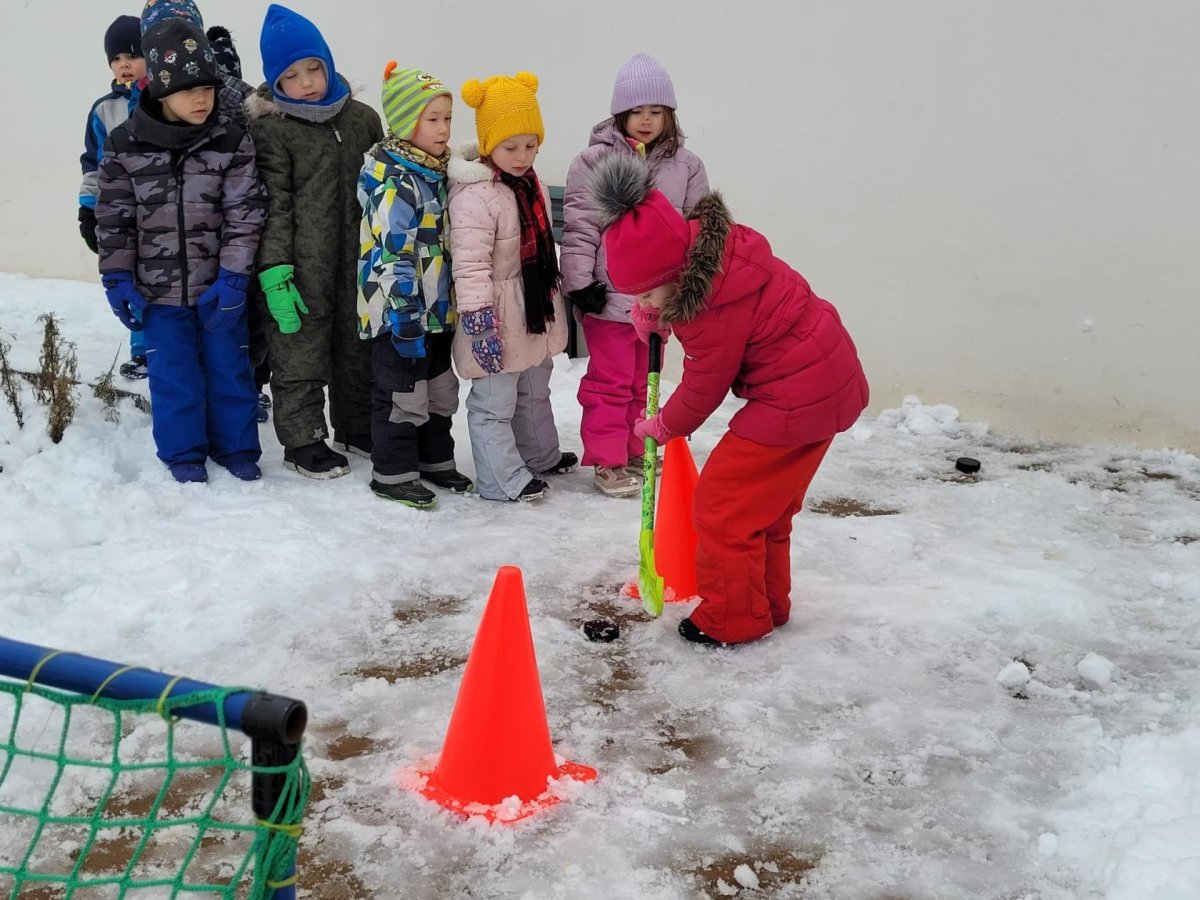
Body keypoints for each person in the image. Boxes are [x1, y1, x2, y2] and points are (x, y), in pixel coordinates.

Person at [591, 154, 869, 645]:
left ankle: (733, 619)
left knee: (722, 508)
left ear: (675, 273)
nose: (643, 304)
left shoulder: (708, 308)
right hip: (826, 384)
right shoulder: (720, 261)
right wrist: (660, 314)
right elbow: (712, 329)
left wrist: (665, 425)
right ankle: (766, 604)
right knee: (764, 510)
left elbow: (705, 385)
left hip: (797, 395)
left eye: (647, 294)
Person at [97, 19, 266, 484]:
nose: (202, 99)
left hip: (219, 287)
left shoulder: (230, 141)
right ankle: (184, 451)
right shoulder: (124, 145)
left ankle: (237, 446)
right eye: (189, 90)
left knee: (230, 369)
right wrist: (117, 278)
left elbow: (245, 214)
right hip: (157, 291)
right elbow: (114, 220)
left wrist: (234, 277)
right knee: (173, 375)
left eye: (208, 88)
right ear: (161, 90)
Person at [245, 3, 383, 478]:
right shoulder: (271, 129)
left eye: (313, 68)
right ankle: (303, 440)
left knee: (357, 344)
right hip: (300, 265)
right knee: (298, 349)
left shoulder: (361, 118)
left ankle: (356, 426)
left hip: (358, 257)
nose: (306, 82)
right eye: (291, 76)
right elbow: (273, 202)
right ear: (275, 80)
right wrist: (273, 269)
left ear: (327, 62)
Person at [561, 53, 708, 497]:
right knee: (610, 381)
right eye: (637, 111)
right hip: (608, 295)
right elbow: (580, 226)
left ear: (669, 115)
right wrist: (580, 283)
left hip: (660, 298)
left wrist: (691, 288)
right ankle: (606, 459)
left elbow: (696, 229)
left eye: (656, 111)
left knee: (644, 381)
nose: (646, 120)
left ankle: (633, 447)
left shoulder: (687, 166)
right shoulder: (593, 161)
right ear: (620, 113)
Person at [447, 72, 577, 502]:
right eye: (510, 147)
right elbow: (470, 267)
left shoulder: (528, 182)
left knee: (534, 389)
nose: (522, 156)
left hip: (533, 307)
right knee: (494, 401)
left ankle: (539, 455)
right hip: (497, 314)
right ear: (489, 146)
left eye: (530, 145)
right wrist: (481, 325)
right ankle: (500, 480)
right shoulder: (474, 195)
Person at [357, 64, 473, 508]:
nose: (444, 129)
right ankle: (393, 472)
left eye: (448, 118)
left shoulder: (436, 173)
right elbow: (391, 254)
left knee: (440, 391)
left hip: (437, 309)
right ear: (406, 125)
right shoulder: (396, 182)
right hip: (399, 314)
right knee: (402, 395)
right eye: (433, 119)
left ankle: (434, 459)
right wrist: (403, 312)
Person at [79, 14, 148, 381]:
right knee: (131, 277)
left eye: (133, 55)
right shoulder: (104, 109)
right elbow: (92, 163)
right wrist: (88, 210)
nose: (124, 64)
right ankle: (143, 350)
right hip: (120, 211)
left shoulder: (163, 100)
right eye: (116, 58)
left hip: (158, 205)